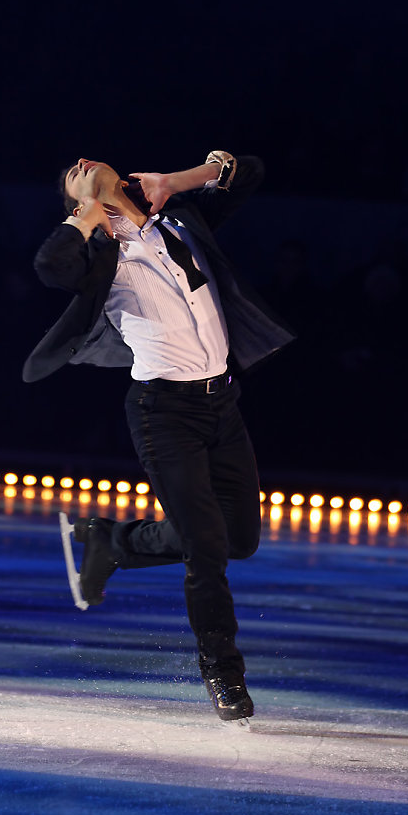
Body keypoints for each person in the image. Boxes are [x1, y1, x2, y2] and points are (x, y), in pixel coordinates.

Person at [23, 151, 295, 721]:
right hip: (162, 412)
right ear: (78, 200)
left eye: (90, 160)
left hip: (222, 404)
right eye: (72, 172)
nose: (80, 158)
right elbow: (52, 266)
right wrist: (87, 212)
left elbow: (250, 172)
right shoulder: (100, 256)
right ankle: (223, 673)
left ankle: (112, 543)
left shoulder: (180, 220)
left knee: (238, 539)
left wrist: (179, 180)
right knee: (207, 550)